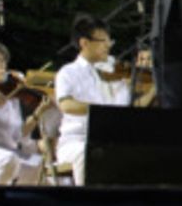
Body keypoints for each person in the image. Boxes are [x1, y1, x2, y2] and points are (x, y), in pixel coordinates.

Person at [54, 14, 132, 186]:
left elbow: (125, 110)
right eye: (102, 40)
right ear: (84, 43)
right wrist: (101, 111)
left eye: (109, 41)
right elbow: (66, 105)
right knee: (89, 154)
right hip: (77, 141)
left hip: (111, 140)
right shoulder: (68, 72)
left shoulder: (114, 76)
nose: (107, 46)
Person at [0, 40, 47, 185]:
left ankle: (15, 205)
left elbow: (18, 134)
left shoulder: (9, 94)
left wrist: (38, 113)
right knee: (6, 159)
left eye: (4, 61)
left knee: (35, 164)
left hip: (1, 149)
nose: (3, 66)